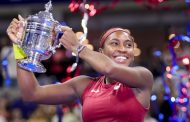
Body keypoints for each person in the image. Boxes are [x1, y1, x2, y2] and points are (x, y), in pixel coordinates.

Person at [6, 15, 154, 122]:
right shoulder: (84, 85)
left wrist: (77, 47)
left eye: (128, 45)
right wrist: (20, 47)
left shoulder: (143, 77)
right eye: (115, 43)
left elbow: (109, 69)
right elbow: (32, 94)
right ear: (101, 52)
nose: (123, 49)